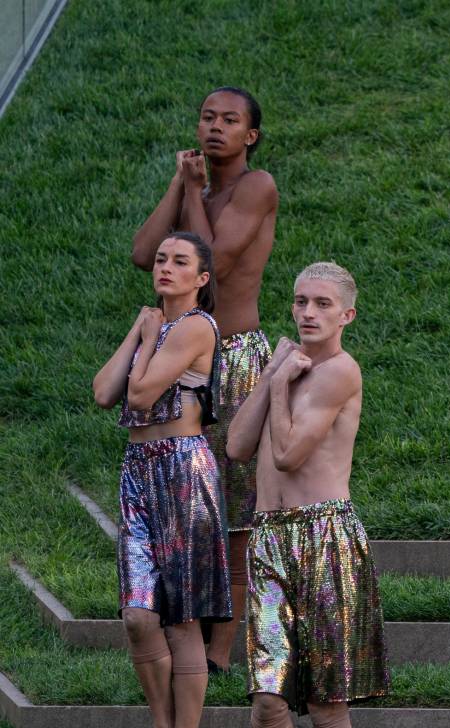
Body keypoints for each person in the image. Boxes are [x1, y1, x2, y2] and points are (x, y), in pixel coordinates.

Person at [227, 261, 387, 728]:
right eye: (299, 301)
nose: (308, 313)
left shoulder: (340, 371)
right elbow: (240, 447)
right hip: (269, 539)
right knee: (267, 698)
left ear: (346, 314)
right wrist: (272, 373)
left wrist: (275, 384)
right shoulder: (286, 367)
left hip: (324, 537)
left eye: (322, 303)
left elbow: (291, 454)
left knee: (326, 702)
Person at [132, 86, 278, 674]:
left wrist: (194, 192)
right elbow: (147, 253)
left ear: (251, 136)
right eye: (207, 117)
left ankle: (220, 650)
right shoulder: (199, 187)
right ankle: (184, 628)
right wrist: (180, 185)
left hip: (235, 358)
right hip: (180, 355)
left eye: (230, 120)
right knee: (188, 501)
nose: (215, 127)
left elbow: (209, 259)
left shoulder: (256, 186)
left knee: (237, 509)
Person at [92, 232, 231, 728]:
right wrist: (139, 328)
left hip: (182, 470)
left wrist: (148, 340)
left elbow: (142, 395)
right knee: (137, 616)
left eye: (180, 261)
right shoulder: (157, 324)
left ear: (201, 278)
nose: (165, 267)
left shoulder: (196, 325)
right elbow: (105, 392)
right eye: (160, 260)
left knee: (181, 620)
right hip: (138, 471)